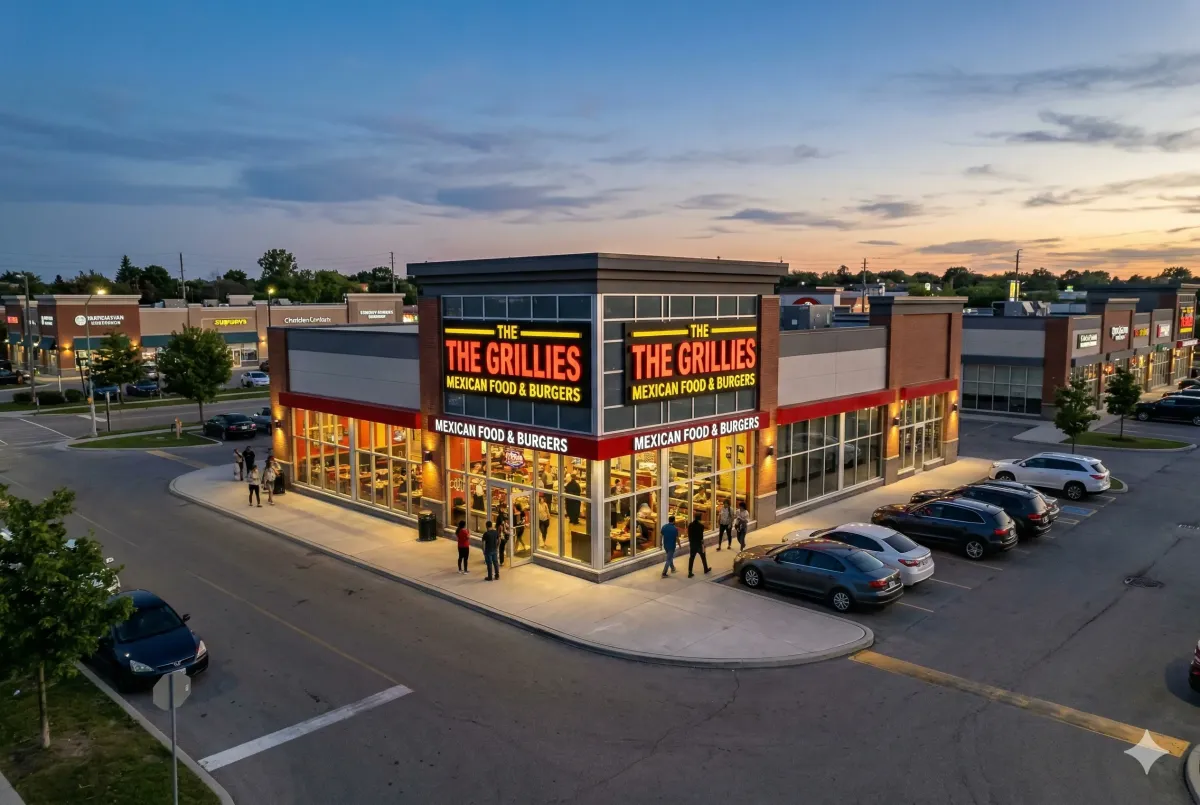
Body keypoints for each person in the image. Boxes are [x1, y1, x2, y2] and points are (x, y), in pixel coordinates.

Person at [687, 512, 710, 577]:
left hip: (692, 544)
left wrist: (690, 542)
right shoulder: (701, 526)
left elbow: (689, 535)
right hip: (699, 544)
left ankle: (690, 572)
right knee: (703, 556)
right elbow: (701, 537)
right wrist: (703, 544)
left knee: (691, 558)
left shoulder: (690, 525)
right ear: (700, 518)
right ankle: (705, 569)